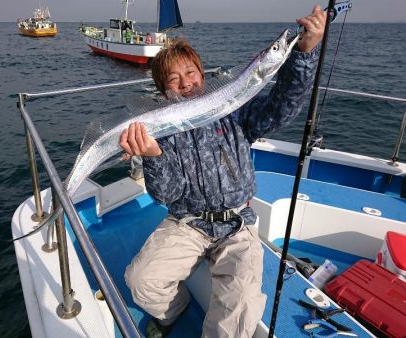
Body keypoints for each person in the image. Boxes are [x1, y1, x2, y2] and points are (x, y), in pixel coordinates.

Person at [120, 5, 326, 338]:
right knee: (141, 281)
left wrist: (304, 52)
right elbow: (166, 195)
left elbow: (282, 106)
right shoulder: (161, 131)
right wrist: (153, 155)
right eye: (174, 79)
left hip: (237, 223)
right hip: (188, 223)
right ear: (164, 92)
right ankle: (175, 310)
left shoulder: (235, 111)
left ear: (202, 74)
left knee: (242, 304)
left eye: (190, 73)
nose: (186, 83)